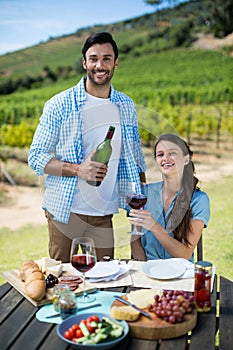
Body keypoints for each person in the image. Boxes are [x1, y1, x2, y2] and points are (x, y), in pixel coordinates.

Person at [28, 32, 146, 262]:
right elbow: (36, 157)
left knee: (103, 283)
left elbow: (136, 158)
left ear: (116, 62)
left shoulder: (126, 105)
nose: (99, 65)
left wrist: (143, 196)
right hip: (65, 212)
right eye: (93, 59)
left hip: (103, 214)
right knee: (63, 283)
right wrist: (79, 170)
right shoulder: (60, 104)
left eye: (106, 58)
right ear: (84, 62)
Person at [129, 133, 210, 262]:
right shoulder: (144, 194)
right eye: (160, 154)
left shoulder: (199, 200)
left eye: (172, 153)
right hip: (147, 269)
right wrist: (143, 267)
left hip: (180, 273)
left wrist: (154, 226)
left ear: (186, 159)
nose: (165, 158)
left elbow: (184, 254)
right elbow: (135, 239)